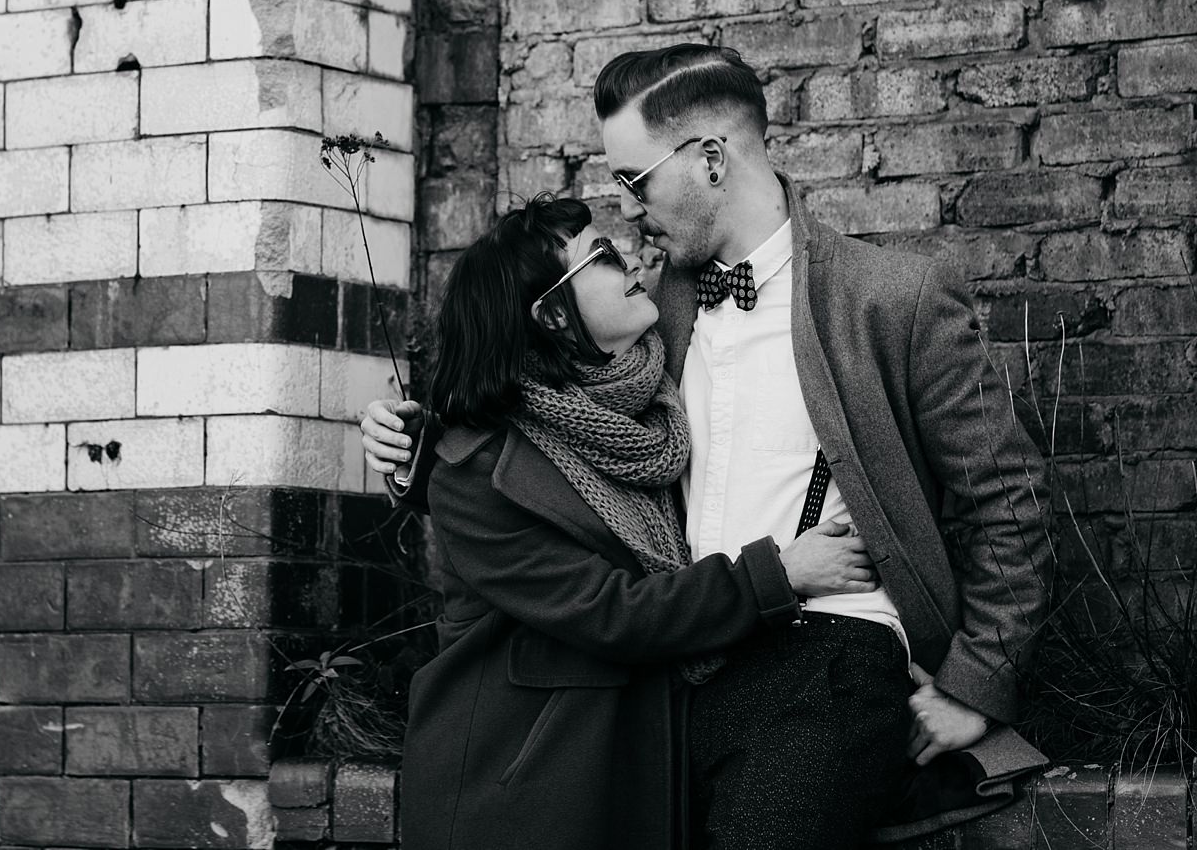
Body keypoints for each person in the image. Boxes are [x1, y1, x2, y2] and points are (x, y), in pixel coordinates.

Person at [363, 44, 1052, 849]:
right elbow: (536, 415)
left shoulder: (890, 299)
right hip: (667, 675)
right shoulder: (651, 306)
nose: (624, 211)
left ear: (712, 159)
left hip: (825, 652)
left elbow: (1006, 499)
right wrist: (415, 447)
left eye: (635, 180)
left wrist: (978, 682)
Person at [400, 192, 878, 850]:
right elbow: (611, 611)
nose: (628, 260)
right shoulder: (475, 474)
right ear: (554, 318)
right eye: (600, 256)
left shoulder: (649, 415)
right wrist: (779, 574)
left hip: (638, 764)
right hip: (522, 791)